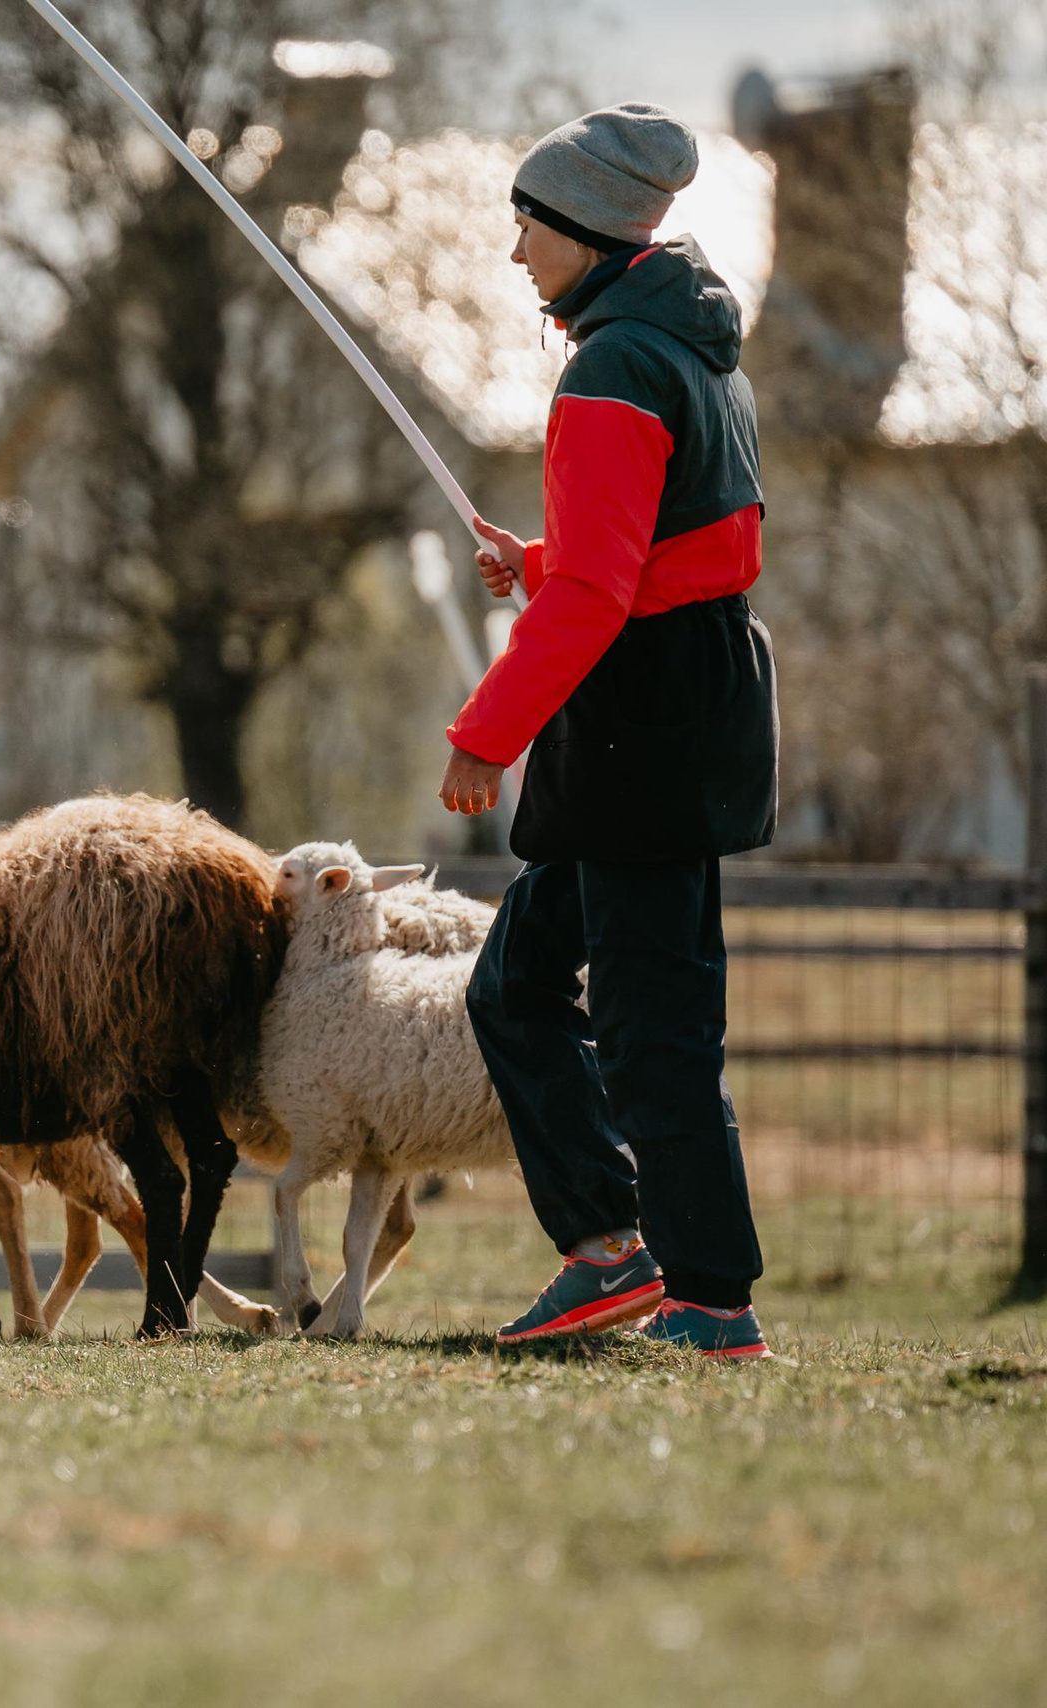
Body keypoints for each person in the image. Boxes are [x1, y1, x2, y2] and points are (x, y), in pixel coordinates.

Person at [439, 103, 776, 1360]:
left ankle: (709, 1299)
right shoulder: (687, 349)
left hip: (641, 724)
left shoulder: (612, 369)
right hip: (672, 707)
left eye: (528, 223)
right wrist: (540, 554)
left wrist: (486, 731)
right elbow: (683, 549)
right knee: (515, 984)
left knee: (651, 1030)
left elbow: (596, 596)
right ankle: (606, 1249)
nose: (516, 249)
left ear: (585, 227)